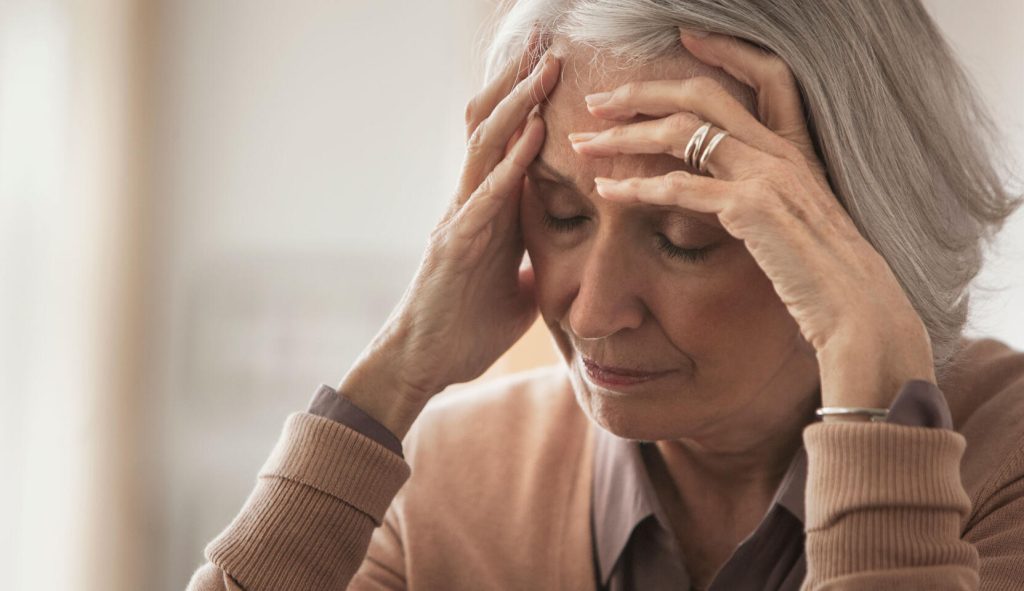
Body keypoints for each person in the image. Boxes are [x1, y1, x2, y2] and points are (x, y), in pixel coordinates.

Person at [187, 1, 1024, 589]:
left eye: (683, 236)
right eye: (560, 215)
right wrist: (396, 369)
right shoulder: (446, 482)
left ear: (850, 231)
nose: (591, 314)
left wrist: (878, 400)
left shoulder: (1005, 467)